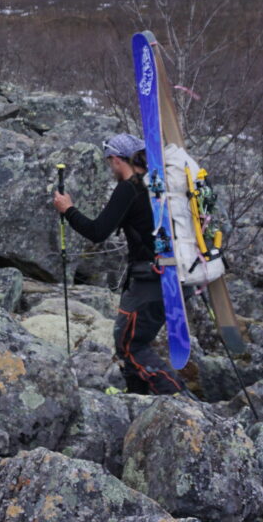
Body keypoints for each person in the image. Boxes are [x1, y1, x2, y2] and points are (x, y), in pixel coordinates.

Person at [51, 133, 187, 396]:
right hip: (172, 273)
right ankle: (137, 398)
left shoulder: (131, 187)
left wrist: (68, 209)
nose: (110, 168)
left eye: (109, 162)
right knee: (131, 341)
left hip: (151, 279)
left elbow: (97, 231)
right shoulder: (157, 183)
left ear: (116, 159)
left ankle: (179, 400)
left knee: (130, 345)